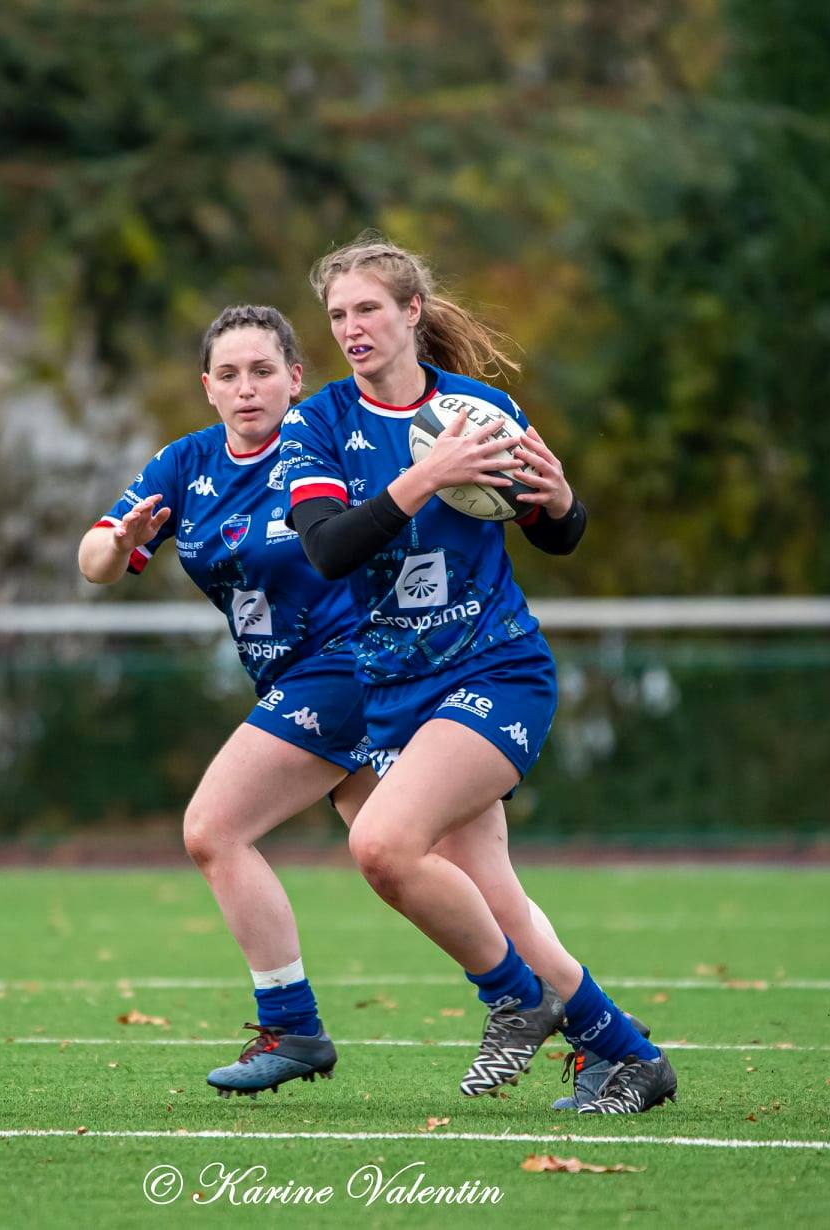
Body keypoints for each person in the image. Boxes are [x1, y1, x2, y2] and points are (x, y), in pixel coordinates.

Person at [79, 305, 593, 1099]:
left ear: (294, 377)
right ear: (206, 387)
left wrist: (532, 496)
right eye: (228, 374)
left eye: (262, 371)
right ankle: (612, 1042)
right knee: (469, 879)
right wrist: (117, 542)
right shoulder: (186, 466)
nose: (246, 389)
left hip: (349, 668)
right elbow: (94, 563)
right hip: (307, 684)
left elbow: (368, 526)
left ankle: (301, 1024)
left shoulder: (320, 443)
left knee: (215, 828)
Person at [279, 235, 674, 1114]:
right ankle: (629, 1055)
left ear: (411, 312)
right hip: (395, 696)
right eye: (338, 314)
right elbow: (329, 551)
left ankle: (511, 999)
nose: (351, 328)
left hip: (496, 669)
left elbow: (559, 534)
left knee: (380, 845)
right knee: (496, 898)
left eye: (368, 309)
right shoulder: (317, 423)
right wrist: (427, 478)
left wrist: (563, 500)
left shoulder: (482, 409)